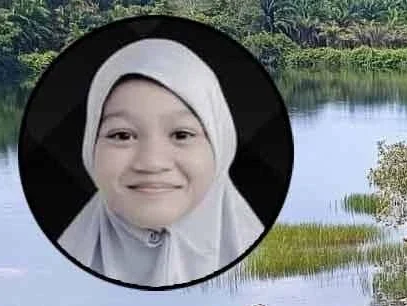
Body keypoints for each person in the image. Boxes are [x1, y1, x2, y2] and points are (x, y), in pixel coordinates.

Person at [57, 38, 265, 288]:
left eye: (181, 134)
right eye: (122, 135)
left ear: (220, 145)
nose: (152, 163)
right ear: (91, 145)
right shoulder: (53, 276)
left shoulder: (269, 277)